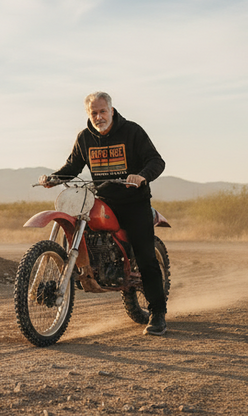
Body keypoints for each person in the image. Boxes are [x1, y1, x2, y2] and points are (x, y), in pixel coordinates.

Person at [40, 91, 168, 335]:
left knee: (145, 256)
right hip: (103, 199)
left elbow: (156, 161)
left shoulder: (132, 132)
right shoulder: (84, 138)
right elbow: (72, 166)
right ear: (89, 114)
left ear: (111, 110)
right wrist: (54, 179)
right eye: (94, 113)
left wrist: (141, 176)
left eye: (102, 111)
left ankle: (158, 314)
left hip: (134, 201)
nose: (99, 117)